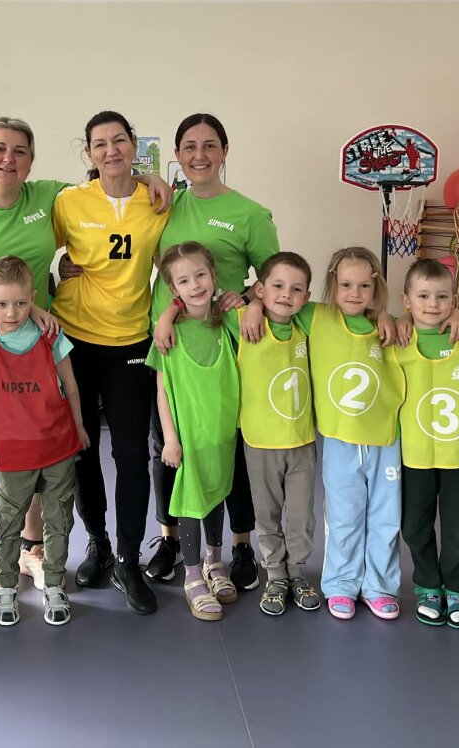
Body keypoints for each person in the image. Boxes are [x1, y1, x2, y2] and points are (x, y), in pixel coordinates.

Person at [0, 117, 170, 597]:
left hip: (41, 345)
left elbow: (110, 182)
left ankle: (39, 548)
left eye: (19, 151)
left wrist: (147, 176)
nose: (8, 159)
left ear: (32, 161)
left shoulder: (48, 198)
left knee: (42, 446)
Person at [146, 113, 277, 590]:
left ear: (224, 152)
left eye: (209, 146)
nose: (199, 155)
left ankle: (239, 545)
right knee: (167, 445)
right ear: (177, 155)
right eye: (189, 147)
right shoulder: (164, 204)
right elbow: (112, 181)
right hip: (170, 343)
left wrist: (252, 302)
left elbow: (273, 279)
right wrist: (146, 176)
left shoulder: (249, 213)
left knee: (230, 445)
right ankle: (170, 539)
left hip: (222, 340)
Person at [51, 110, 169, 615]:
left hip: (131, 340)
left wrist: (150, 177)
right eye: (99, 144)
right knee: (82, 449)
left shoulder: (158, 201)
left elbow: (173, 264)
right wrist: (58, 271)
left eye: (119, 140)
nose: (110, 150)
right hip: (76, 339)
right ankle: (97, 543)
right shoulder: (68, 202)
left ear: (134, 145)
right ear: (88, 153)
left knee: (131, 454)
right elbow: (38, 250)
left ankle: (127, 558)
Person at [0, 256, 89, 626]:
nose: (11, 312)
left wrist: (80, 427)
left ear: (34, 298)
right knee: (7, 524)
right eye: (1, 303)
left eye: (22, 303)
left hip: (58, 445)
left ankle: (54, 584)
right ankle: (8, 587)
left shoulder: (48, 332)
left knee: (58, 520)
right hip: (12, 454)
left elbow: (71, 385)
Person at [393, 259, 459, 628]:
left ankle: (456, 588)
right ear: (406, 300)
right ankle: (427, 585)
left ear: (455, 299)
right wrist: (397, 320)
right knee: (414, 525)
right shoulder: (397, 338)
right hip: (414, 456)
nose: (433, 304)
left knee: (457, 527)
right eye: (423, 296)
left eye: (442, 296)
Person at [305, 247, 407, 621]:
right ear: (333, 283)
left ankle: (379, 587)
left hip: (385, 438)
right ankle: (341, 584)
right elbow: (273, 302)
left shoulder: (392, 326)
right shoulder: (315, 317)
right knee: (343, 516)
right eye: (346, 284)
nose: (355, 292)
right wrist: (252, 306)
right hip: (340, 438)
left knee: (385, 516)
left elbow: (442, 319)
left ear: (376, 287)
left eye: (364, 285)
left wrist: (387, 315)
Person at [148, 243, 241, 622]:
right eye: (184, 281)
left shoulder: (228, 323)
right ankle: (191, 576)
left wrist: (245, 301)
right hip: (189, 439)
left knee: (216, 495)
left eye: (201, 275)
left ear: (214, 276)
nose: (196, 285)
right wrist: (170, 439)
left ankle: (214, 562)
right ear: (175, 290)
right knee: (190, 503)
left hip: (222, 436)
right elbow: (162, 391)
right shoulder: (170, 334)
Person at [236, 252, 322, 616]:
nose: (287, 294)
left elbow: (356, 313)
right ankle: (274, 575)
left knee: (301, 516)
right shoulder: (242, 322)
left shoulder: (308, 324)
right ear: (261, 289)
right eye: (277, 286)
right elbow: (202, 308)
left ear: (306, 296)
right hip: (260, 442)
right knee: (267, 515)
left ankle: (297, 573)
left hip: (301, 442)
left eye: (297, 289)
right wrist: (252, 306)